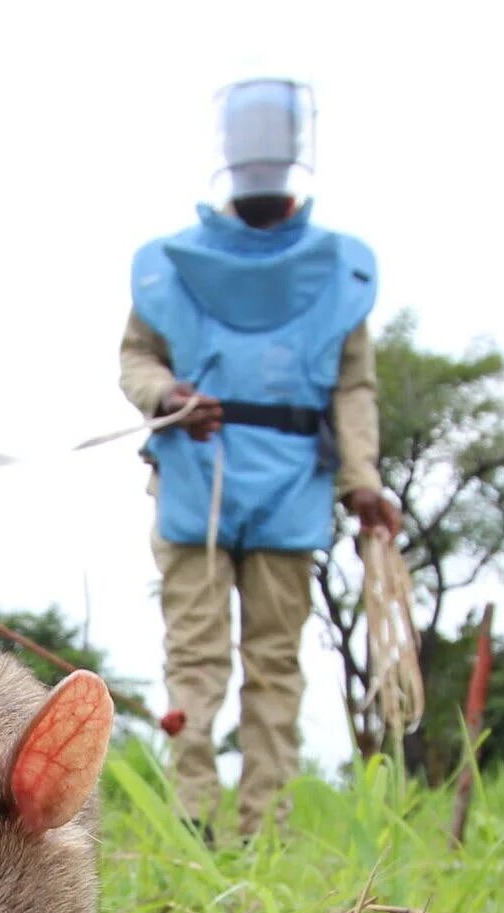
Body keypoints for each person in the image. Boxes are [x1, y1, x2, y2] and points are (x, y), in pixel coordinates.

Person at [117, 77, 401, 841]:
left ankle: (263, 829)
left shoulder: (335, 273)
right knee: (197, 661)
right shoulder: (171, 266)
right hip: (193, 481)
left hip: (290, 488)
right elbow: (137, 358)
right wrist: (167, 395)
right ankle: (194, 821)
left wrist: (362, 482)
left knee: (274, 664)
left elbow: (352, 389)